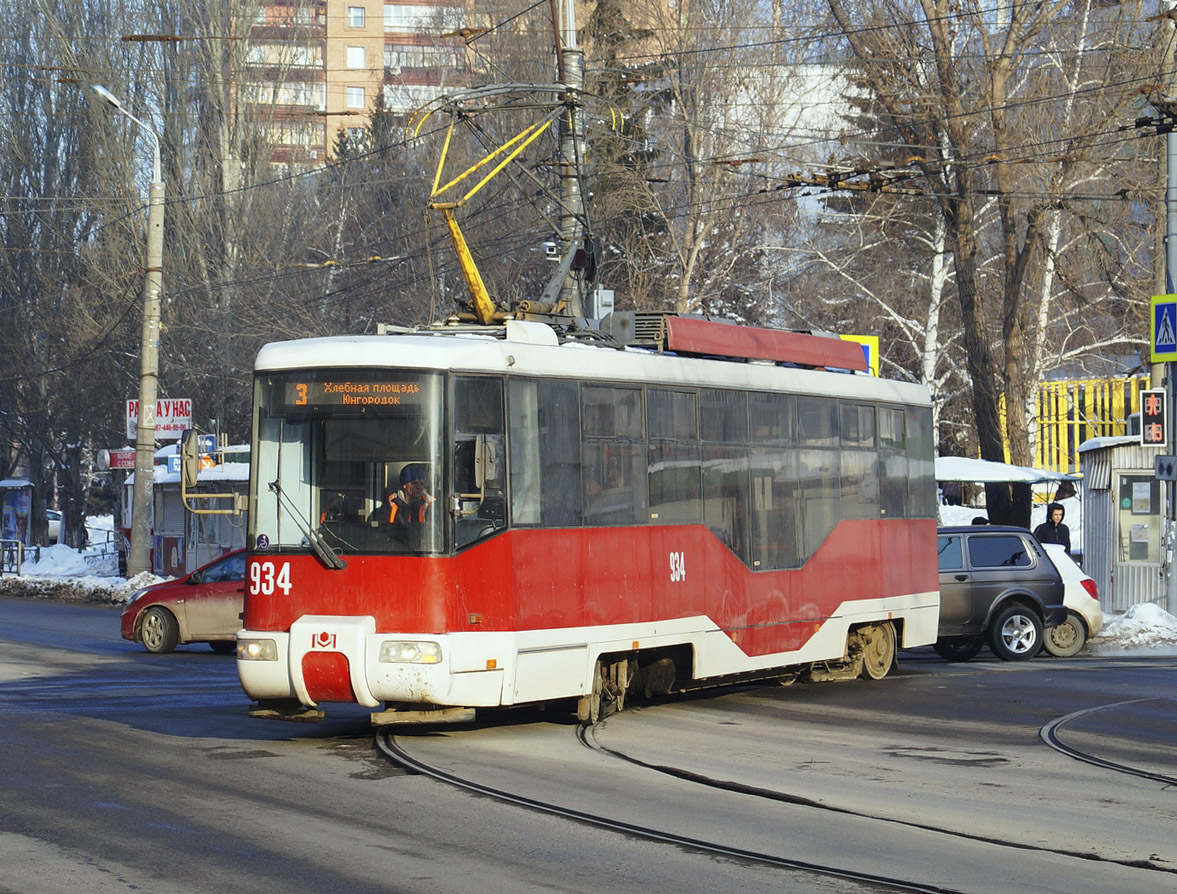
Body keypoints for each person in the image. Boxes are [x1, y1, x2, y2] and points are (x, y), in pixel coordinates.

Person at [370, 464, 435, 529]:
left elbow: (436, 530)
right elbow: (380, 529)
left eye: (421, 484)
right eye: (414, 483)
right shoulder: (391, 503)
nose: (419, 487)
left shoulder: (429, 504)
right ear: (404, 485)